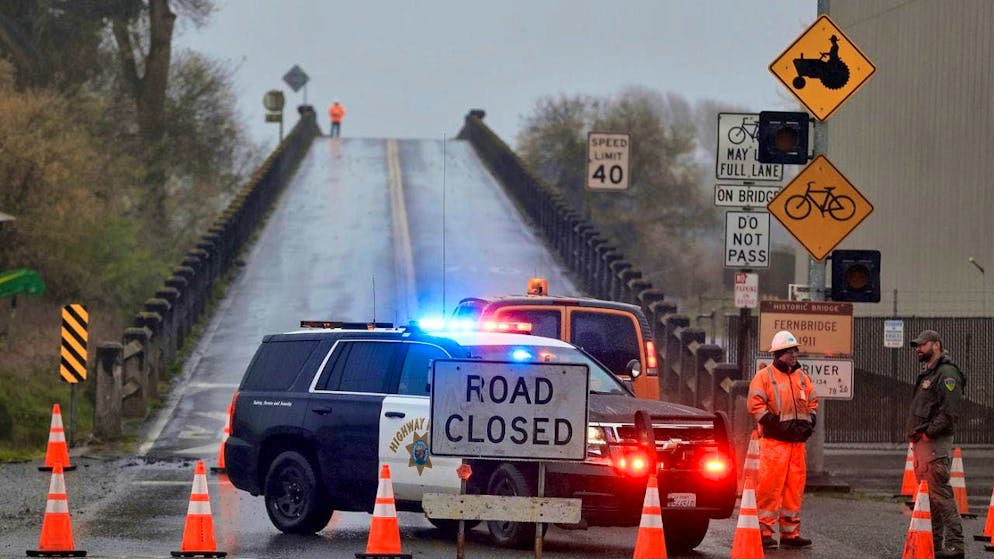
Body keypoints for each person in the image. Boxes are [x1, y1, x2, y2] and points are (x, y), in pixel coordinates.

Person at [748, 330, 818, 549]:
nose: (794, 354)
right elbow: (755, 405)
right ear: (778, 354)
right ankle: (764, 533)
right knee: (770, 488)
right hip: (774, 443)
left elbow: (813, 402)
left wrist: (810, 423)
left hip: (796, 444)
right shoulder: (764, 376)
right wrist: (775, 425)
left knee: (794, 489)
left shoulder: (802, 377)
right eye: (789, 351)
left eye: (795, 350)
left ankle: (790, 534)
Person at [907, 329, 965, 559]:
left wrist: (928, 434)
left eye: (923, 345)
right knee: (931, 499)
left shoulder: (947, 373)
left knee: (941, 496)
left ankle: (955, 546)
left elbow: (950, 412)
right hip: (923, 447)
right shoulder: (930, 373)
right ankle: (935, 545)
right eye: (917, 346)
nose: (918, 349)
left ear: (936, 345)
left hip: (933, 446)